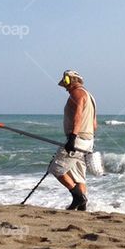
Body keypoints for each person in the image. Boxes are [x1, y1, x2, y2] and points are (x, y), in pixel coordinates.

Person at [48, 70, 97, 210]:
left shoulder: (77, 94)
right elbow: (94, 124)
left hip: (77, 139)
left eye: (66, 84)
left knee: (56, 168)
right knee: (79, 175)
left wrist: (72, 137)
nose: (65, 88)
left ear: (70, 81)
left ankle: (78, 197)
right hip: (88, 141)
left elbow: (78, 116)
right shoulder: (90, 96)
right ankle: (82, 206)